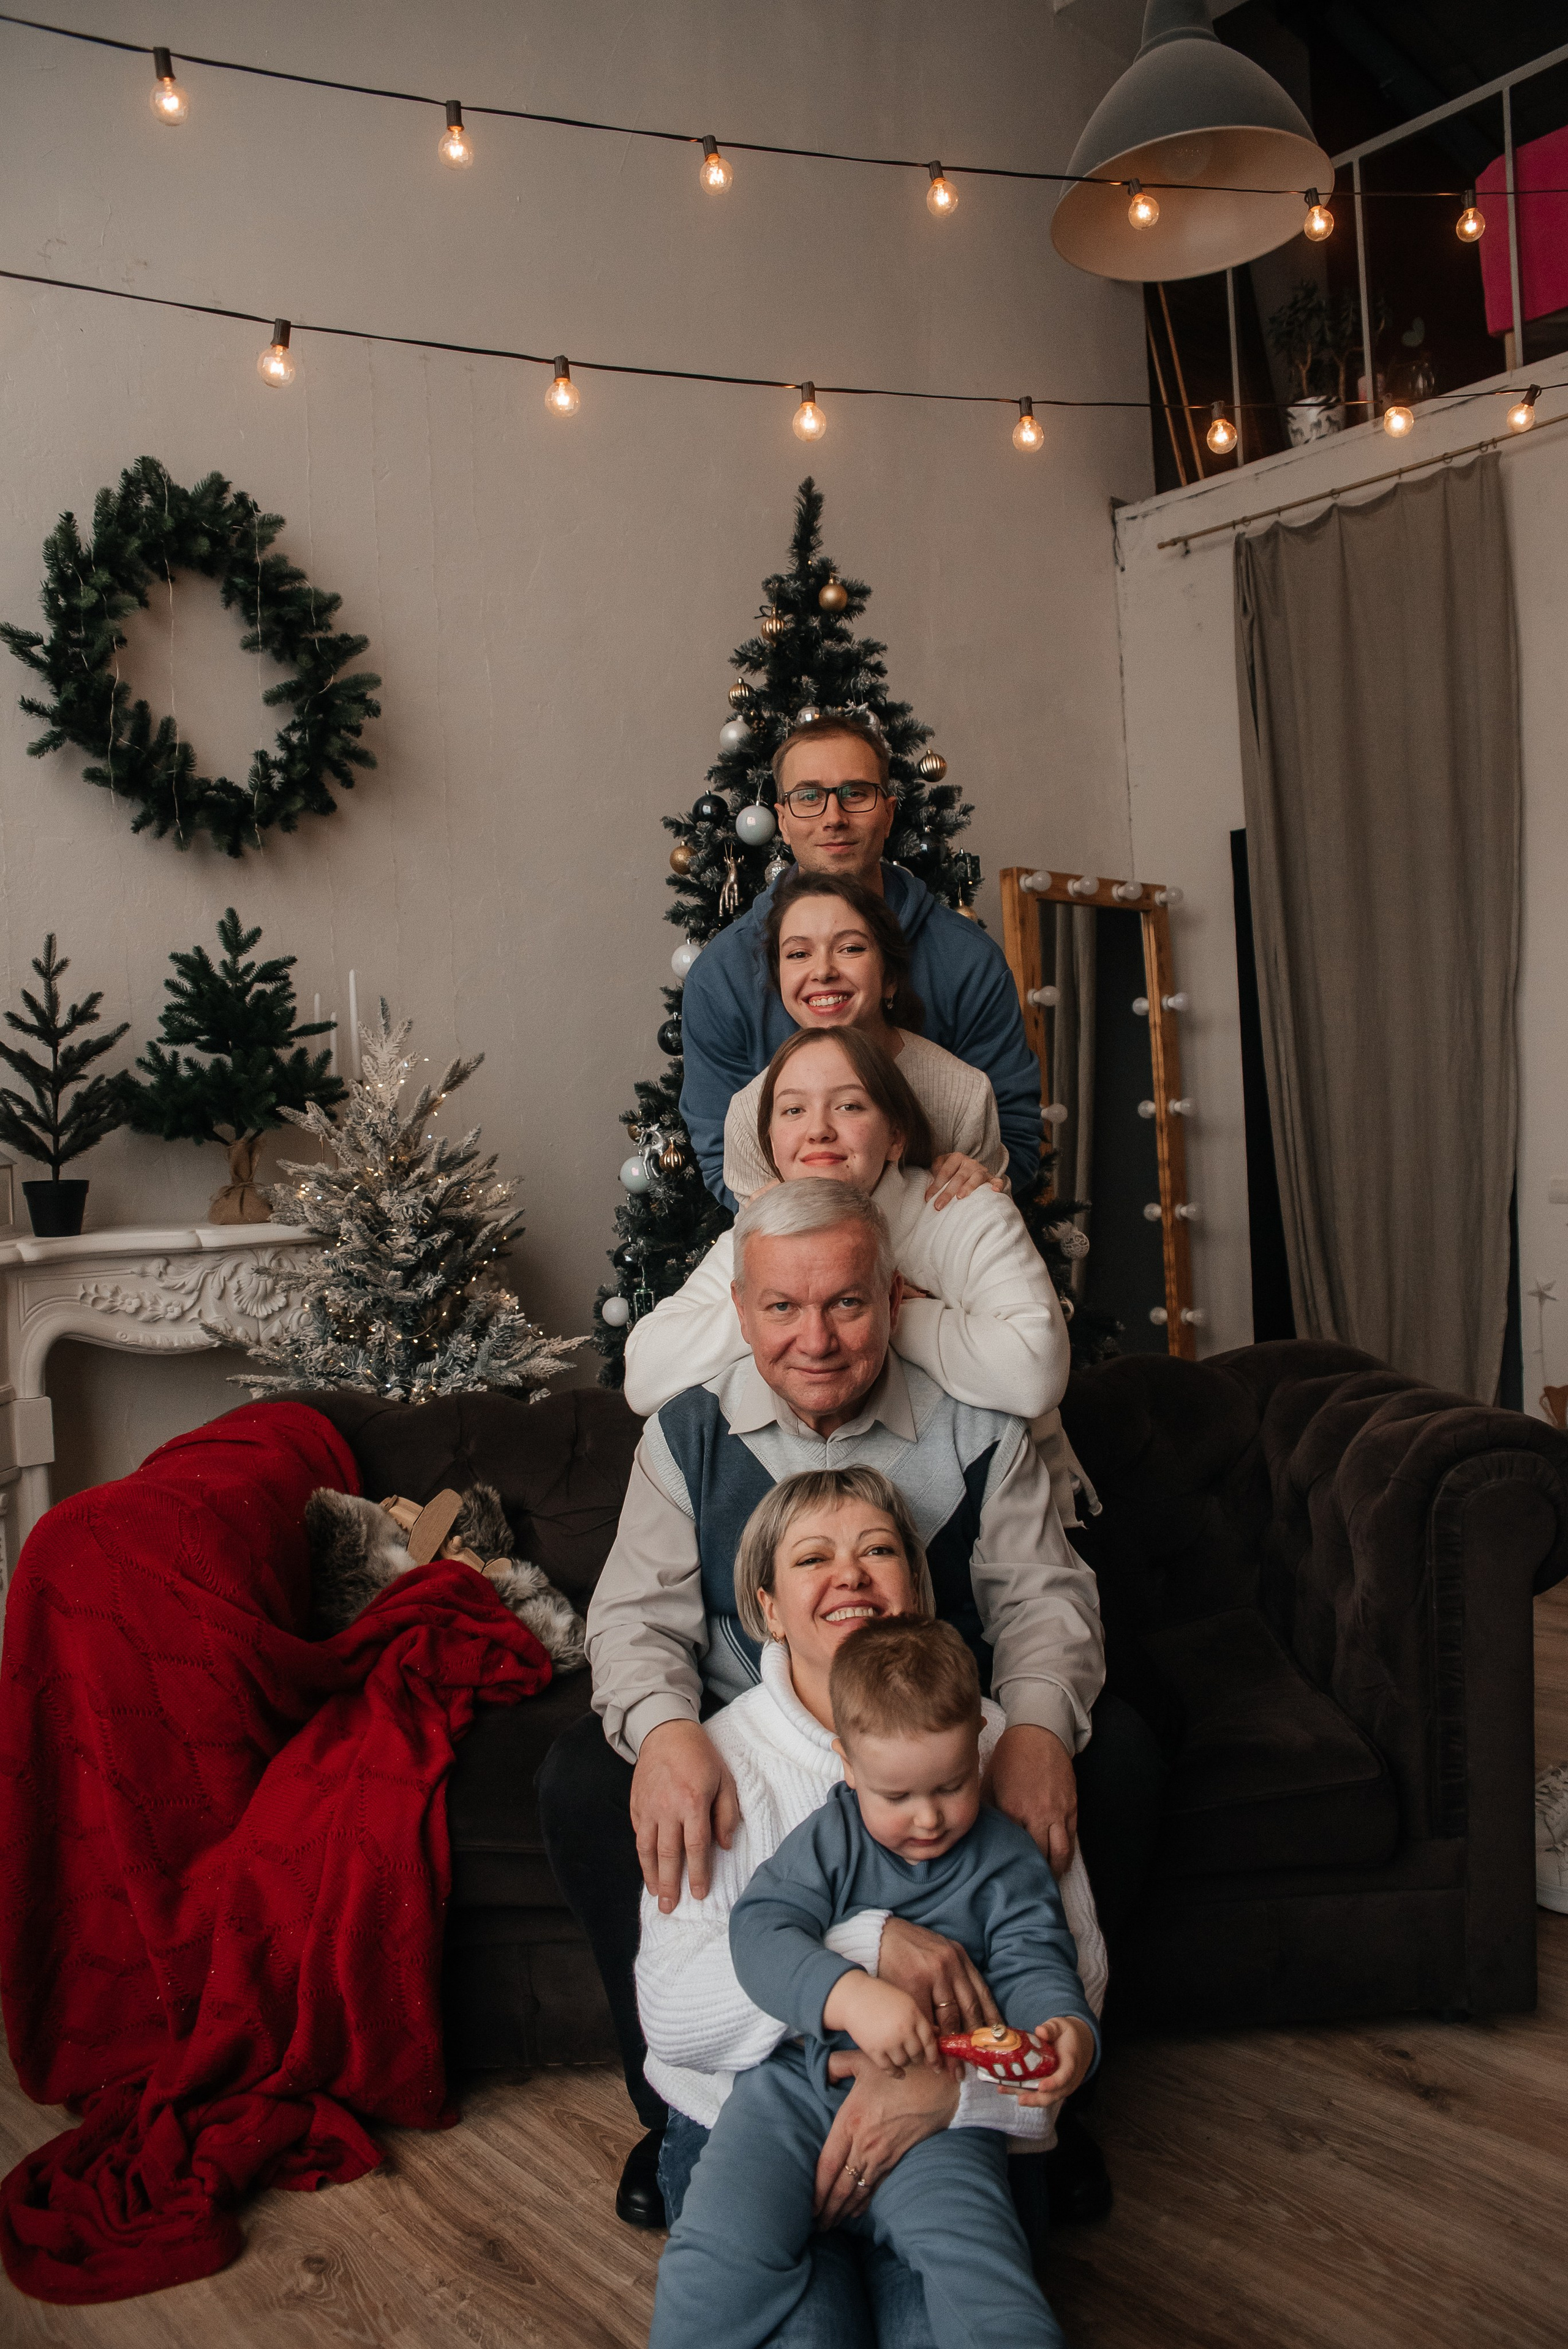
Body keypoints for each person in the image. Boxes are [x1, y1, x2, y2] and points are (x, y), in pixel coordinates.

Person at [535, 1179, 1159, 2233]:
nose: (815, 1340)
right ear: (742, 1312)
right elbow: (633, 1618)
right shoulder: (686, 1434)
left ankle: (1045, 2091)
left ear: (894, 1296)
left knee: (1122, 1757)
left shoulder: (977, 1421)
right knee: (585, 1781)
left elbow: (1044, 1599)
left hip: (937, 1726)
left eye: (848, 1305)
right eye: (782, 1307)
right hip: (757, 1724)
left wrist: (1041, 1731)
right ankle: (676, 2108)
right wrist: (670, 1733)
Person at [636, 1469, 1106, 2347]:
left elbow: (1051, 1959)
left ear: (917, 1592)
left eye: (879, 1550)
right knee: (734, 2272)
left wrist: (1055, 2034)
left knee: (968, 2279)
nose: (929, 1817)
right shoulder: (752, 1778)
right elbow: (717, 1969)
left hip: (949, 2104)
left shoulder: (997, 1755)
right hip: (773, 2097)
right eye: (815, 1556)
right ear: (769, 1606)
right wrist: (861, 1967)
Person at [678, 713, 1042, 1209]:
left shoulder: (968, 961)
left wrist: (972, 1187)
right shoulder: (719, 976)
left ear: (889, 813)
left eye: (856, 793)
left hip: (944, 1226)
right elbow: (727, 1155)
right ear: (781, 819)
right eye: (808, 796)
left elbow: (1012, 1136)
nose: (834, 817)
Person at [722, 872, 1005, 1207]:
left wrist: (983, 1191)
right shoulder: (748, 1113)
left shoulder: (964, 1096)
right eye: (798, 954)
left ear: (890, 979)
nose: (823, 971)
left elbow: (993, 1230)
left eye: (851, 948)